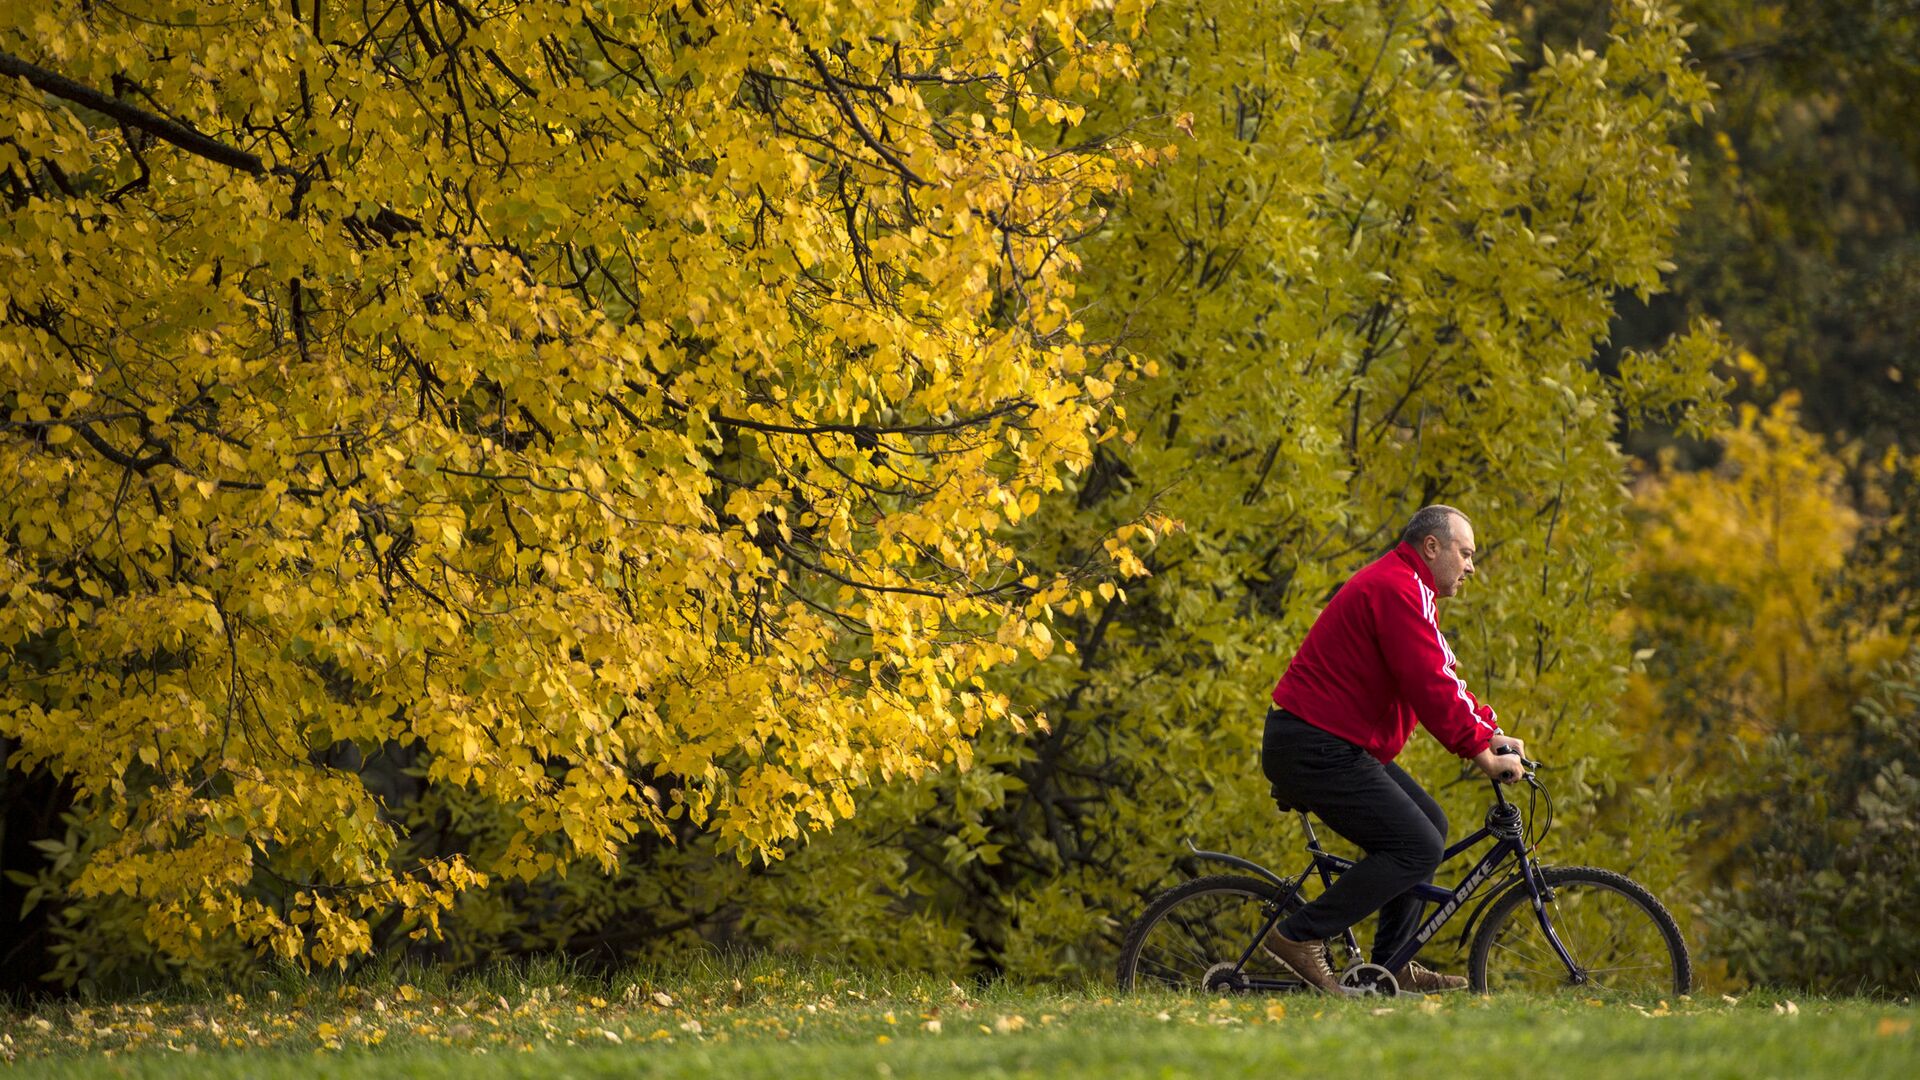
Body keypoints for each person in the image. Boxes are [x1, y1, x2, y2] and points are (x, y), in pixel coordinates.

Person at [1260, 505, 1526, 994]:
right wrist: (1481, 754)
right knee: (1416, 844)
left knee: (1432, 828)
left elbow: (1444, 674)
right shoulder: (1399, 589)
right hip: (1313, 744)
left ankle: (1393, 964)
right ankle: (1297, 936)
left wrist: (1489, 732)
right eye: (1465, 553)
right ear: (1432, 547)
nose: (1471, 566)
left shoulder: (1411, 591)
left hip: (1331, 742)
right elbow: (1428, 683)